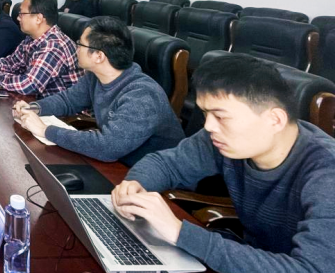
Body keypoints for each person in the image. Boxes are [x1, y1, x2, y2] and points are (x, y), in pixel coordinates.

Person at [111, 54, 335, 273]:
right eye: (205, 114)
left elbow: (312, 268)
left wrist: (180, 233)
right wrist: (135, 184)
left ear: (275, 120)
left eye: (220, 117)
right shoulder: (222, 140)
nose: (208, 126)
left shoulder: (327, 174)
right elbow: (166, 164)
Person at [13, 16, 183, 166]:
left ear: (99, 56)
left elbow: (108, 147)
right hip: (122, 166)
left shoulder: (142, 95)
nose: (75, 49)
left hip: (156, 182)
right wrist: (34, 108)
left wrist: (45, 130)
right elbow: (68, 100)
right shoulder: (96, 77)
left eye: (80, 44)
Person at [0, 0, 82, 97]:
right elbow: (13, 62)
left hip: (58, 110)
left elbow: (29, 85)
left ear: (38, 18)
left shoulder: (53, 46)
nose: (18, 18)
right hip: (35, 102)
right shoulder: (31, 38)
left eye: (22, 14)